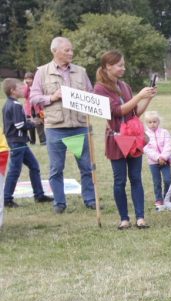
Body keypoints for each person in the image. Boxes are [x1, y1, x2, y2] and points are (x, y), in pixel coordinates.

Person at [29, 37, 97, 214]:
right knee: (56, 168)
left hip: (79, 126)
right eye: (67, 50)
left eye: (71, 50)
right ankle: (59, 203)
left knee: (86, 167)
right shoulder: (42, 72)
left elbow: (91, 94)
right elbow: (33, 97)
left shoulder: (80, 71)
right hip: (55, 128)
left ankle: (90, 200)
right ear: (55, 51)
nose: (71, 53)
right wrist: (52, 97)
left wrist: (86, 96)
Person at [93, 50, 155, 229]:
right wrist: (139, 96)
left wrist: (148, 98)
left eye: (123, 65)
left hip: (133, 138)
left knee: (136, 178)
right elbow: (117, 111)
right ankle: (124, 219)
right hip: (116, 139)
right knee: (119, 180)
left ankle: (140, 217)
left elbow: (134, 112)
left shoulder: (125, 86)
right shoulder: (100, 88)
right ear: (108, 66)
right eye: (119, 65)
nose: (123, 68)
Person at [2, 78, 53, 207]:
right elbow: (19, 125)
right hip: (17, 143)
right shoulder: (16, 105)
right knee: (14, 170)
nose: (23, 90)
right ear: (13, 91)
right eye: (20, 88)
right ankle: (6, 199)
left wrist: (32, 121)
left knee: (34, 166)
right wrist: (34, 123)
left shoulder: (8, 104)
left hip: (19, 142)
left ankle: (39, 195)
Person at [142, 111, 171, 212]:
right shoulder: (145, 135)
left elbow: (168, 145)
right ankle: (159, 200)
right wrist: (157, 158)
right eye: (150, 122)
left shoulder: (164, 132)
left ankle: (167, 198)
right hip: (153, 163)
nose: (152, 124)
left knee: (168, 180)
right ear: (146, 123)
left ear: (158, 121)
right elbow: (146, 148)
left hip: (165, 161)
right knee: (157, 182)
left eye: (154, 122)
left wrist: (163, 157)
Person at [22, 72, 45, 146]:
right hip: (29, 110)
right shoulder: (26, 88)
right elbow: (24, 95)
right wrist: (27, 86)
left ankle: (43, 141)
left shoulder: (37, 86)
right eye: (26, 79)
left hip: (38, 109)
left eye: (30, 78)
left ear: (33, 79)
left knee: (40, 125)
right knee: (30, 126)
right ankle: (32, 141)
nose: (28, 80)